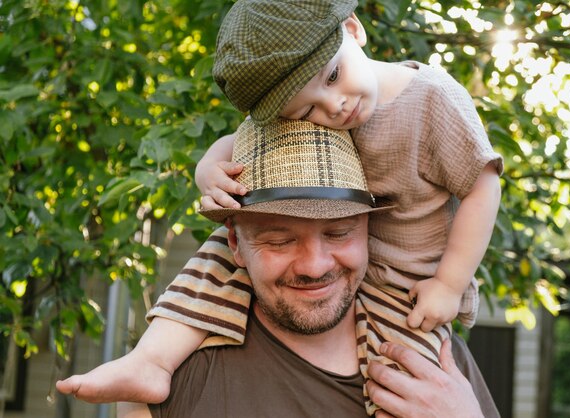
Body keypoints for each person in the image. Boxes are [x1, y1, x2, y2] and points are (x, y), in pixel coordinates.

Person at [57, 0, 503, 414]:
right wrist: (207, 169)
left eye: (332, 77)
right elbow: (238, 141)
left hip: (411, 289)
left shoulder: (430, 98)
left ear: (354, 29)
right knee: (211, 255)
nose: (335, 106)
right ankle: (150, 360)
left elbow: (483, 185)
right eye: (279, 238)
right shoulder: (200, 380)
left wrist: (448, 284)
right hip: (365, 272)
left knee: (401, 387)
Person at [113, 118, 495, 417]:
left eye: (339, 233)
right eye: (279, 241)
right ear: (235, 244)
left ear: (368, 230)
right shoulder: (175, 378)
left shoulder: (436, 362)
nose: (315, 266)